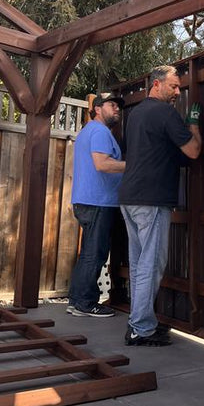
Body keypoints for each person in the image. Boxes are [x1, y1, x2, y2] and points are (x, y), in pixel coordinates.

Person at [119, 65, 202, 346]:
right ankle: (140, 328)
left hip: (129, 198)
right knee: (151, 265)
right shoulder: (165, 112)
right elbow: (192, 150)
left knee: (139, 263)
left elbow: (153, 152)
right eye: (174, 86)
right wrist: (193, 124)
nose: (178, 91)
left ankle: (140, 322)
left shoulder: (135, 115)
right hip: (151, 200)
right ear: (156, 84)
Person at [68, 92, 126, 317]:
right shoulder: (100, 131)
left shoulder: (89, 131)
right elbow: (102, 164)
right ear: (98, 108)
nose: (117, 109)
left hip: (88, 200)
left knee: (90, 252)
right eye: (112, 105)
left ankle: (77, 301)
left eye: (118, 106)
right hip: (98, 201)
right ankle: (86, 302)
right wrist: (133, 167)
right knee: (95, 253)